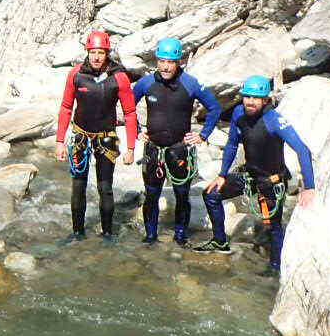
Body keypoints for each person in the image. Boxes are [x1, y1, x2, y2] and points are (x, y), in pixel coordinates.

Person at [200, 75, 317, 272]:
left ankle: (274, 267)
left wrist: (309, 187)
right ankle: (220, 241)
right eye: (247, 97)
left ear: (265, 100)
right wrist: (222, 174)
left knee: (274, 226)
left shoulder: (274, 120)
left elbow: (303, 150)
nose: (250, 102)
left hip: (273, 180)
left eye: (256, 98)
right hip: (250, 175)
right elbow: (231, 144)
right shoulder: (238, 113)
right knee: (211, 194)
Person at [130, 38, 222, 245]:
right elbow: (128, 105)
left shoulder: (189, 83)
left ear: (178, 62)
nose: (165, 66)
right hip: (153, 149)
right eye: (162, 61)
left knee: (182, 195)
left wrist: (203, 135)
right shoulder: (147, 82)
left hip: (179, 150)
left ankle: (180, 237)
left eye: (170, 62)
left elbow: (215, 107)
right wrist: (136, 130)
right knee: (151, 195)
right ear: (157, 61)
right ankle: (151, 237)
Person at [53, 30, 139, 239]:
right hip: (81, 135)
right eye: (93, 52)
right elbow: (66, 107)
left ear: (107, 53)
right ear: (87, 52)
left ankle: (107, 233)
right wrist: (59, 141)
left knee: (105, 187)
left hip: (106, 137)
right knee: (78, 186)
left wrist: (130, 148)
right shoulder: (76, 74)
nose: (97, 57)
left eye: (101, 52)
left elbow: (130, 113)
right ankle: (77, 232)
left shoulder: (119, 77)